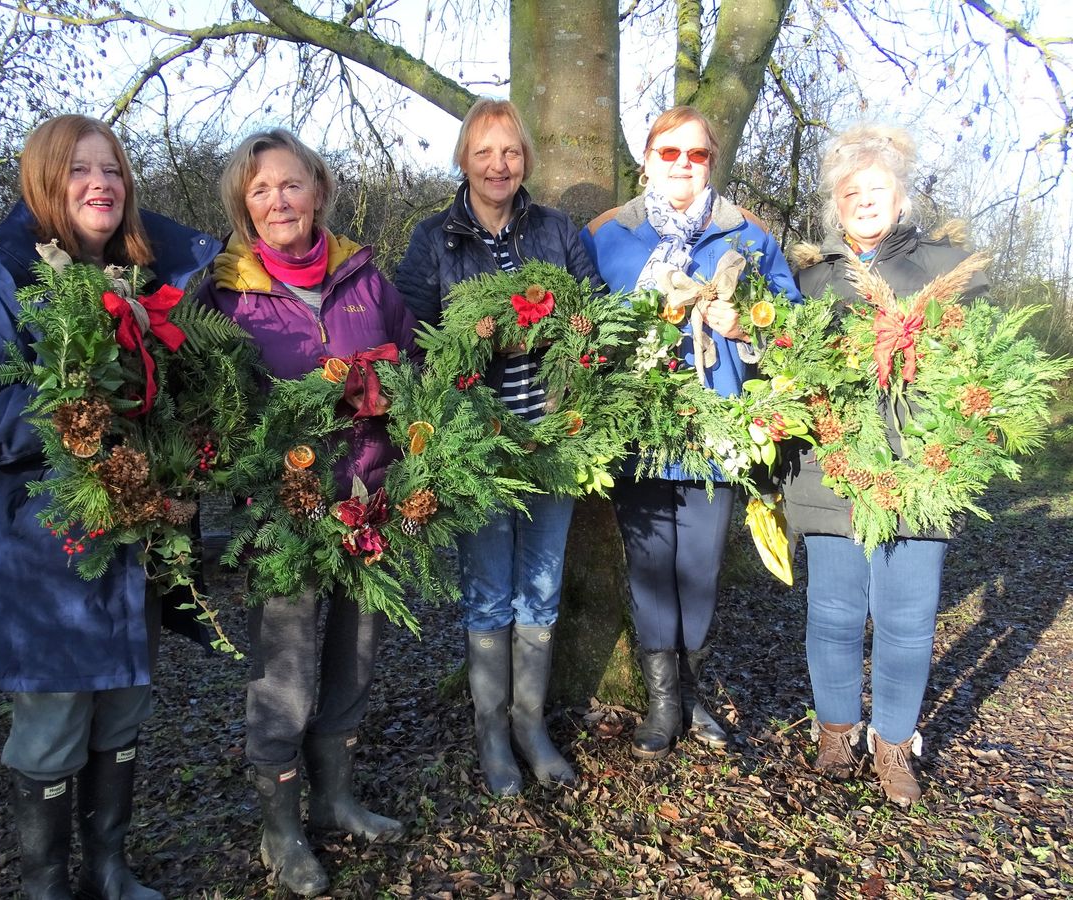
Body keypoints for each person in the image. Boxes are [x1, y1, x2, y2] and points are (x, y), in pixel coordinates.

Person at [0, 115, 220, 900]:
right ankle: (47, 888)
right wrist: (68, 405)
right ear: (44, 184)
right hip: (41, 558)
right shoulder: (0, 284)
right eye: (80, 171)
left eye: (114, 171)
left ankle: (110, 870)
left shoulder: (149, 286)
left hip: (133, 552)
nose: (101, 185)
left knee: (121, 715)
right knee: (55, 727)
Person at [196, 129, 418, 898]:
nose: (278, 200)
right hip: (281, 516)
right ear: (244, 209)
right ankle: (280, 827)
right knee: (284, 673)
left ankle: (336, 796)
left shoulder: (367, 278)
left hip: (370, 504)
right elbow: (211, 411)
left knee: (355, 657)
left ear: (318, 191)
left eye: (290, 185)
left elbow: (415, 366)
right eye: (260, 191)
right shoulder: (224, 297)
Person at [581, 106, 801, 761]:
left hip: (719, 433)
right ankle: (662, 704)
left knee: (699, 569)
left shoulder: (747, 237)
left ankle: (692, 691)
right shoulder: (609, 236)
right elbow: (581, 327)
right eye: (669, 152)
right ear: (647, 159)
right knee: (651, 569)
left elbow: (793, 326)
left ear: (711, 162)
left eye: (696, 154)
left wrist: (745, 327)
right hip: (640, 429)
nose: (683, 164)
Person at [395, 98, 599, 796]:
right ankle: (491, 734)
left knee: (539, 590)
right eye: (484, 152)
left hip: (552, 441)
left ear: (525, 161)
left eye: (509, 151)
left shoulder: (557, 231)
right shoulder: (433, 240)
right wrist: (466, 363)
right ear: (463, 160)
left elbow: (591, 315)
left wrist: (558, 342)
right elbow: (411, 340)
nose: (497, 164)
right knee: (488, 595)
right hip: (477, 449)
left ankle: (529, 724)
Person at [784, 125, 988, 806]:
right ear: (835, 206)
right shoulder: (810, 277)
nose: (864, 200)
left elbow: (981, 359)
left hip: (918, 470)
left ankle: (895, 743)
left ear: (900, 199)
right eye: (851, 192)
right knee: (835, 611)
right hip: (832, 463)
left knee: (908, 615)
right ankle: (836, 730)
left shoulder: (942, 266)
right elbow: (780, 363)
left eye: (877, 189)